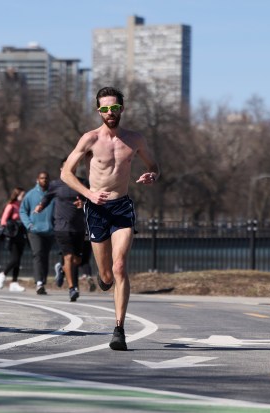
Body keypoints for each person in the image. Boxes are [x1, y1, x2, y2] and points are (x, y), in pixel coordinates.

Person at [61, 86, 159, 351]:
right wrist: (88, 194)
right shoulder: (90, 139)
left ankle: (119, 330)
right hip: (96, 209)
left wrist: (152, 174)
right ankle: (103, 280)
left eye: (114, 108)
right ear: (99, 111)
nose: (110, 112)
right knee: (105, 275)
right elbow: (66, 173)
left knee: (119, 267)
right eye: (105, 108)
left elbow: (154, 165)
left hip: (122, 207)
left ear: (122, 109)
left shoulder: (135, 139)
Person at [35, 158, 87, 302]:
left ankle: (63, 269)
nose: (71, 168)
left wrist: (83, 203)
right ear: (61, 169)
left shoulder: (83, 183)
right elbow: (47, 198)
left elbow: (91, 199)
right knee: (69, 257)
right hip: (62, 226)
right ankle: (72, 289)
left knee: (77, 260)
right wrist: (40, 206)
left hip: (79, 226)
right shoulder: (55, 185)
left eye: (73, 166)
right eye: (68, 166)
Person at [19, 171, 55, 295]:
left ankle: (42, 282)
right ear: (37, 180)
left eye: (46, 178)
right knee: (38, 254)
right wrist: (29, 225)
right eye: (42, 178)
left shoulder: (52, 195)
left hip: (49, 231)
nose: (44, 180)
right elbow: (22, 211)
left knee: (45, 256)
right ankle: (39, 282)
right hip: (34, 231)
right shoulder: (30, 195)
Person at [0, 187, 27, 292]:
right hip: (12, 236)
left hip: (21, 235)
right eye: (22, 195)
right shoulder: (11, 206)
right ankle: (2, 274)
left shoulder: (22, 206)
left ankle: (14, 282)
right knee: (15, 259)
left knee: (18, 261)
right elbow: (3, 221)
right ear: (17, 195)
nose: (23, 197)